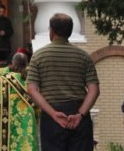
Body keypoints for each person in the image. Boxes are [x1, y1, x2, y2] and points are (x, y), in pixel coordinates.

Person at [27, 13, 99, 151]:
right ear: (70, 32)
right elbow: (94, 91)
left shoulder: (38, 56)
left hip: (51, 116)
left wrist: (53, 113)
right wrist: (80, 114)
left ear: (52, 31)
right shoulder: (84, 57)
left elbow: (32, 90)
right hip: (79, 115)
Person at [0, 52, 39, 151]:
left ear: (13, 64)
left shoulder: (4, 80)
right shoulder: (32, 79)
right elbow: (38, 103)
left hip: (11, 122)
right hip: (29, 120)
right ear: (26, 64)